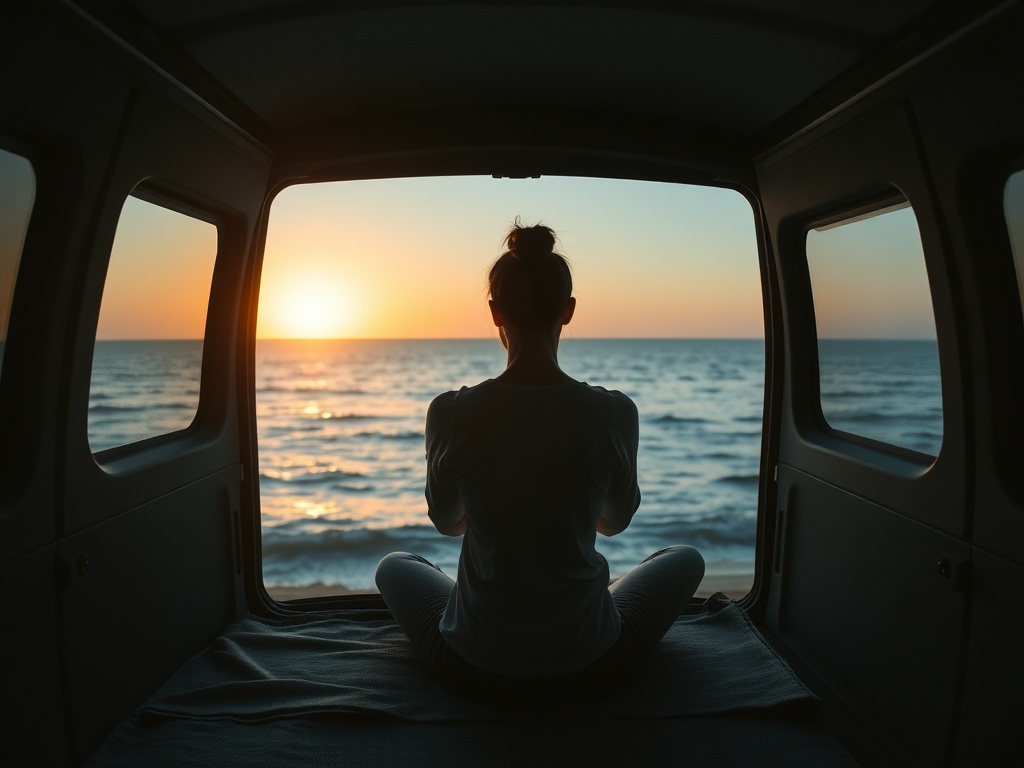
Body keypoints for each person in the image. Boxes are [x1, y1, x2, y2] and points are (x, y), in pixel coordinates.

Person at [375, 221, 705, 703]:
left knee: (394, 564)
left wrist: (494, 502)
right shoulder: (614, 412)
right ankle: (582, 609)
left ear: (494, 313)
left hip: (471, 668)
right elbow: (613, 525)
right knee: (685, 558)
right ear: (568, 311)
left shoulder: (451, 411)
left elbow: (448, 525)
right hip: (594, 666)